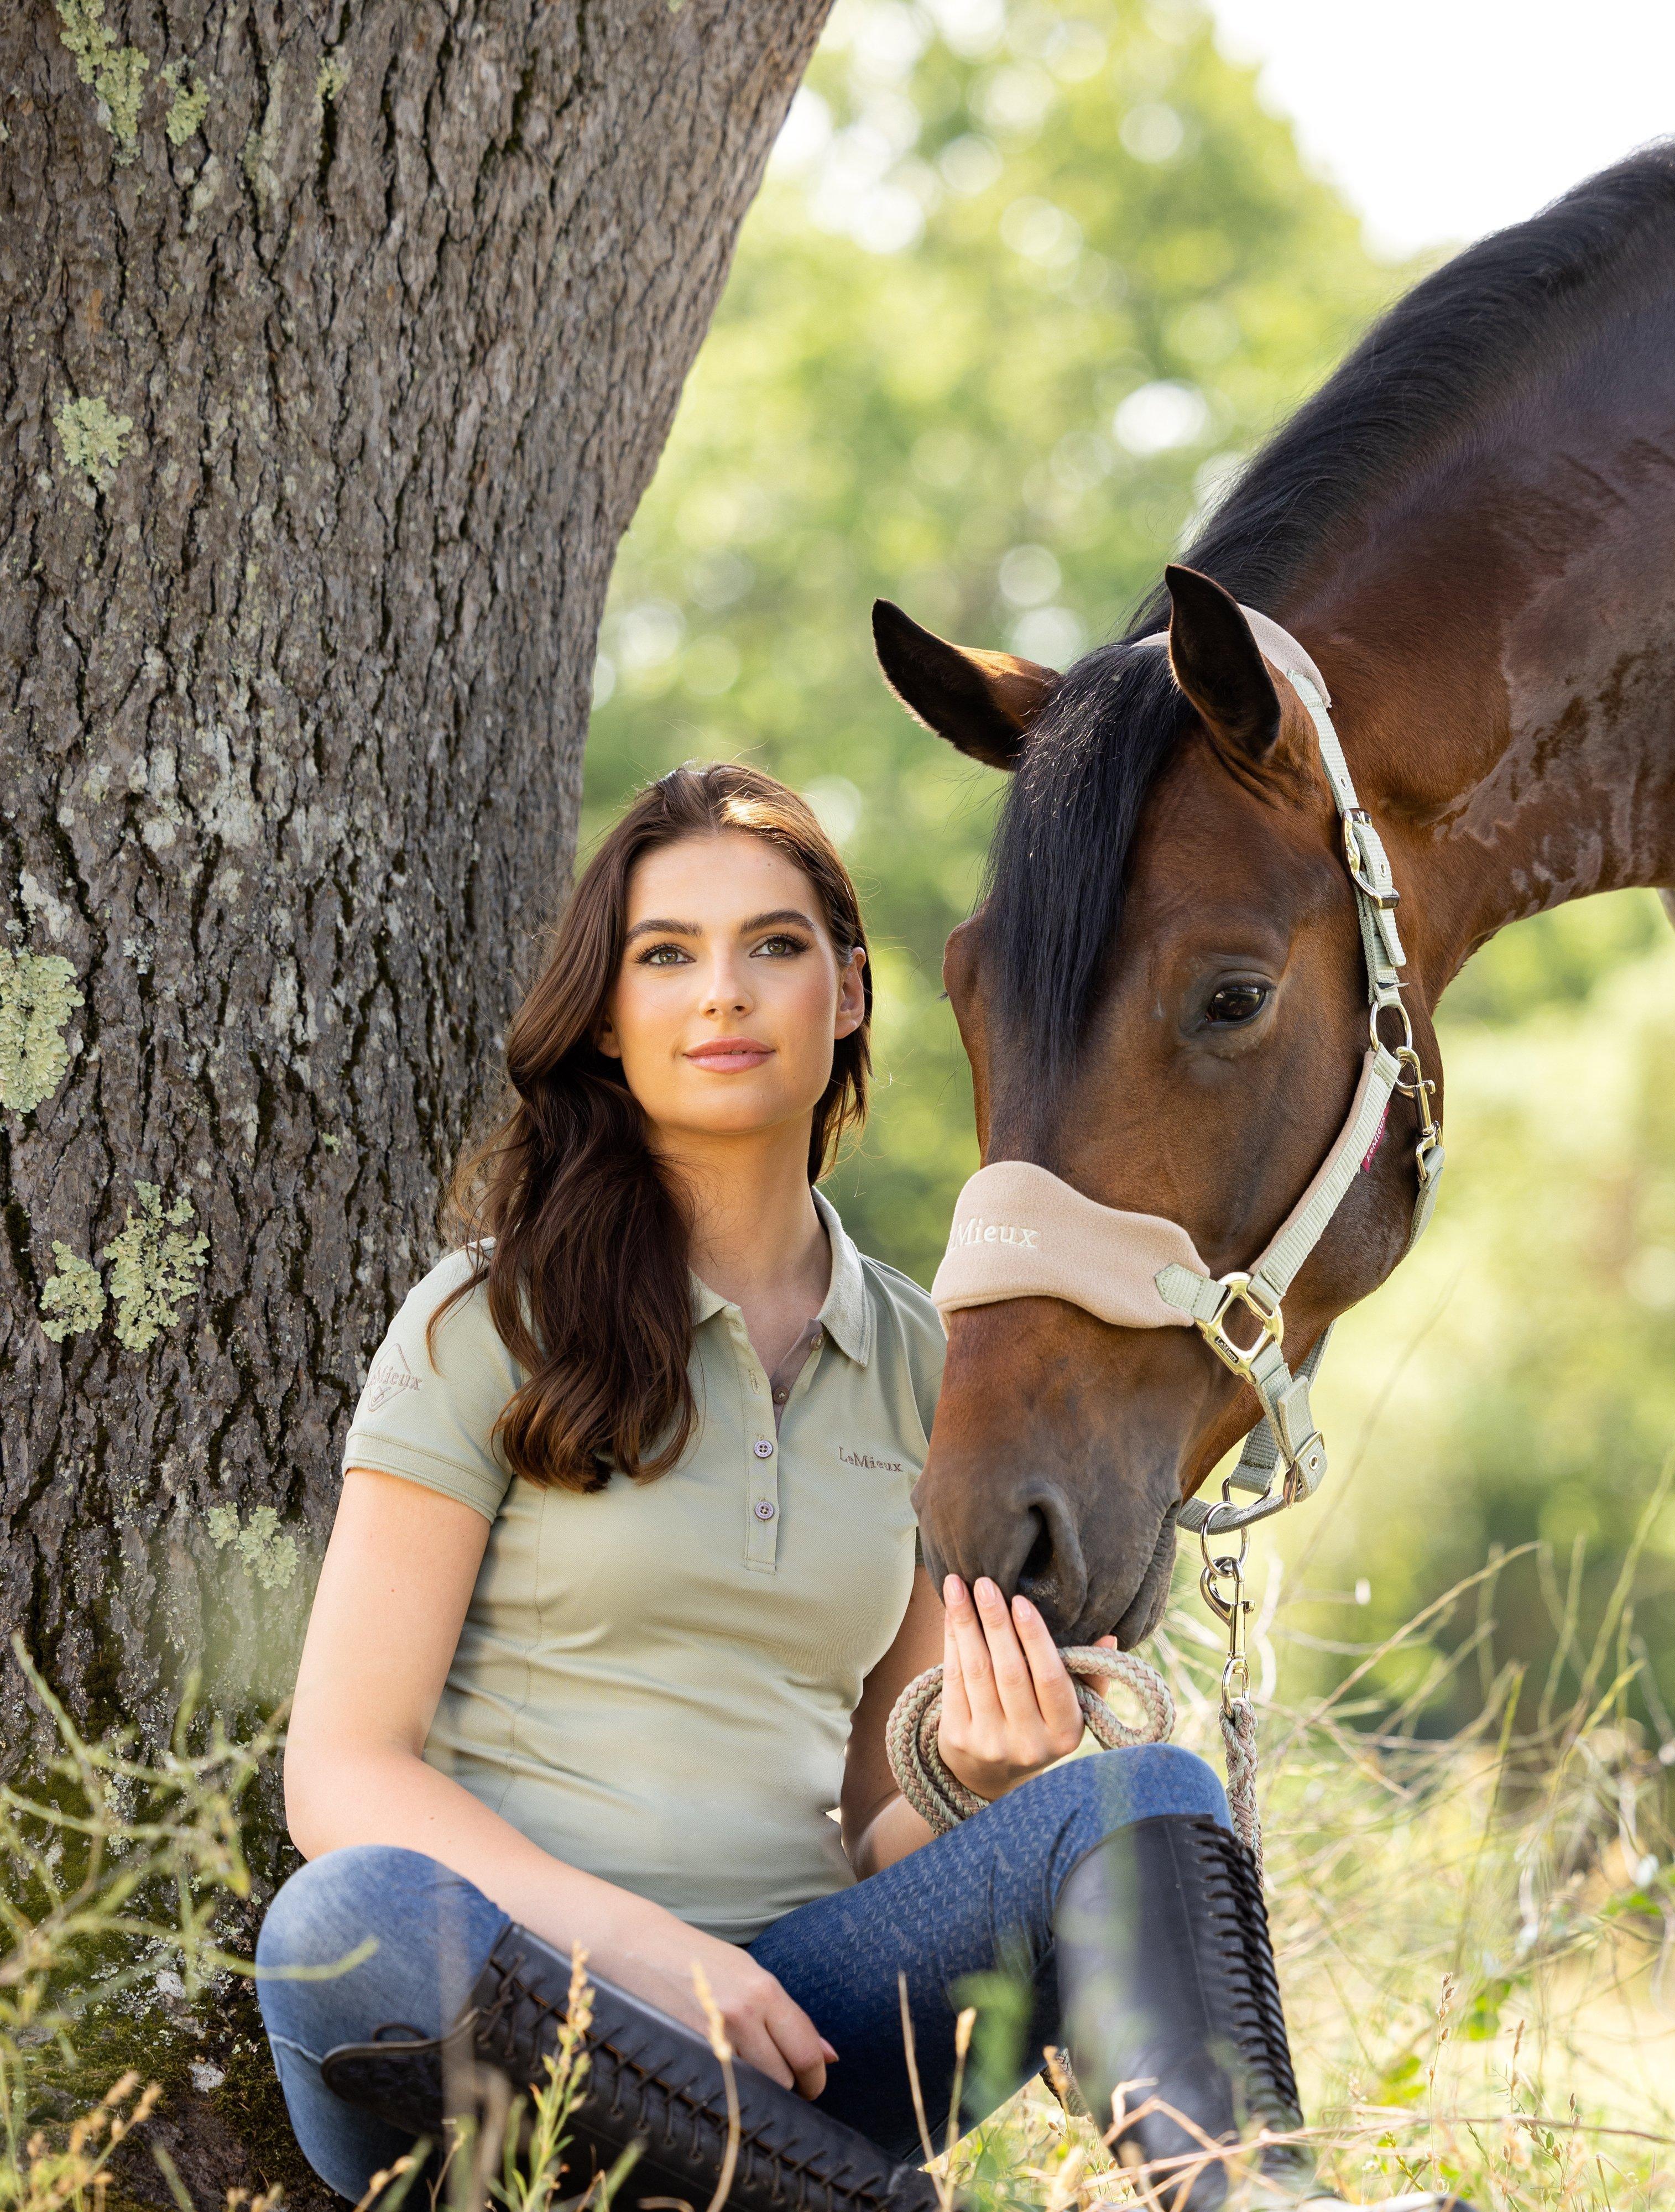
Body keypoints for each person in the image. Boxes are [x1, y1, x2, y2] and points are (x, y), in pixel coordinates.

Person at [257, 764, 1308, 2212]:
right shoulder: (486, 1322)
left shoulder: (933, 1364)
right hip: (506, 2013)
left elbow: (880, 1823)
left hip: (802, 2030)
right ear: (608, 1019)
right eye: (665, 955)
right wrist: (648, 1955)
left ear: (851, 992)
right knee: (347, 1919)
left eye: (774, 945)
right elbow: (342, 1774)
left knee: (1143, 1794)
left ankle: (1253, 2193)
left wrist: (975, 1776)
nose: (723, 994)